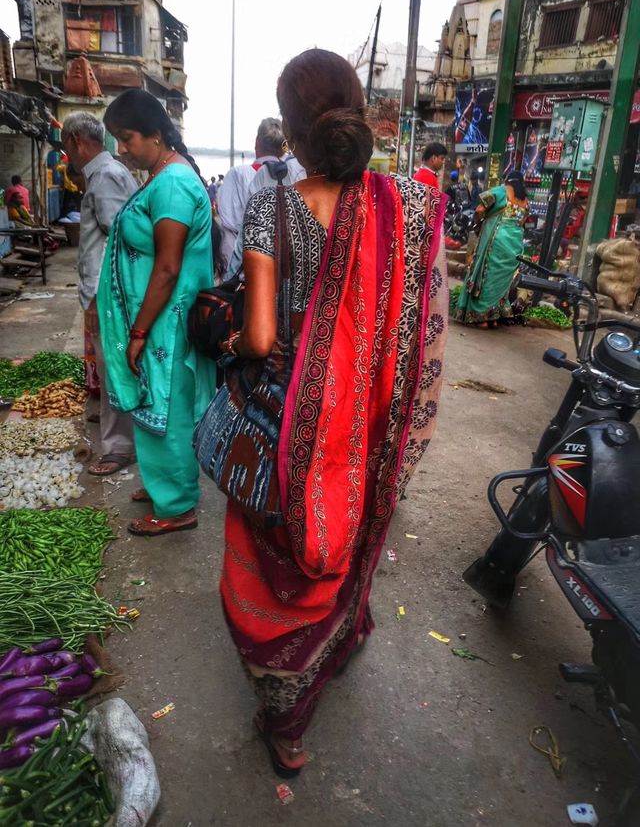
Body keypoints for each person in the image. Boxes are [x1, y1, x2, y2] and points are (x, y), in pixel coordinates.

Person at [216, 48, 448, 776]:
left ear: (289, 128)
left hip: (290, 426)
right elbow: (423, 320)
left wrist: (226, 335)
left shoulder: (272, 205)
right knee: (342, 542)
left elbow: (257, 337)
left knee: (268, 568)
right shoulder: (407, 205)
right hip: (366, 423)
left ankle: (285, 723)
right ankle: (335, 644)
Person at [96, 89, 216, 536]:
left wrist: (140, 329)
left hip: (166, 324)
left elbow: (167, 267)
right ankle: (161, 481)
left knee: (167, 408)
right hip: (160, 322)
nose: (121, 149)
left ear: (156, 134)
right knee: (155, 405)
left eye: (126, 139)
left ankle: (178, 505)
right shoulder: (164, 176)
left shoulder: (173, 184)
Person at [62, 111, 138, 475]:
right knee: (112, 368)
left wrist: (96, 299)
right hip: (107, 294)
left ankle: (119, 446)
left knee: (114, 369)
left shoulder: (105, 175)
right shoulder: (106, 174)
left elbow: (116, 241)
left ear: (77, 142)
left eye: (66, 147)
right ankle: (118, 436)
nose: (67, 156)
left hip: (107, 296)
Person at [454, 170, 529, 327]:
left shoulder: (500, 191)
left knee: (486, 277)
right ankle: (493, 317)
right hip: (514, 244)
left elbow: (479, 209)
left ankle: (481, 318)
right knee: (501, 281)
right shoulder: (524, 200)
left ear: (506, 179)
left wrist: (479, 222)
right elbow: (522, 221)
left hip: (497, 241)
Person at [217, 118, 285, 273]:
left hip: (246, 265)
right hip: (283, 268)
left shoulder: (238, 174)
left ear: (257, 142)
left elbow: (229, 226)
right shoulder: (295, 174)